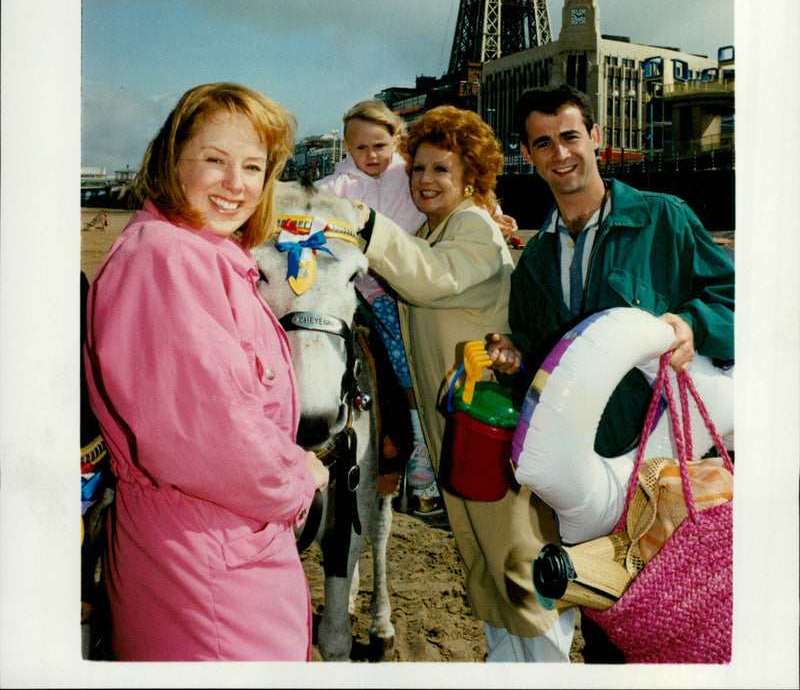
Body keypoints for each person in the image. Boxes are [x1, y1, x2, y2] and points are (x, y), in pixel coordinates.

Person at [487, 83, 735, 661]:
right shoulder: (534, 262)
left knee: (693, 620)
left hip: (673, 476)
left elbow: (736, 301)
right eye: (543, 143)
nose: (560, 154)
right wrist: (514, 356)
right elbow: (540, 374)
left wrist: (691, 323)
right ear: (527, 155)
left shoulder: (663, 219)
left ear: (595, 137)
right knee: (610, 633)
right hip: (593, 487)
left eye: (570, 136)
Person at [83, 83, 329, 661]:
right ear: (173, 160)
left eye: (253, 167)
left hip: (206, 547)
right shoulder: (168, 259)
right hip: (207, 564)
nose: (236, 183)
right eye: (215, 160)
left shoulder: (200, 253)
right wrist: (298, 478)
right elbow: (215, 437)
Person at [351, 106, 575, 663]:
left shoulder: (472, 225)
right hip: (463, 423)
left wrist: (366, 224)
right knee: (484, 553)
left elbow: (430, 280)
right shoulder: (435, 228)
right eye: (418, 168)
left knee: (513, 548)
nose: (425, 180)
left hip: (488, 422)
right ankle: (509, 660)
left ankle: (544, 663)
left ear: (470, 177)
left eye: (441, 169)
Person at [316, 99, 442, 512]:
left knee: (420, 362)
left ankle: (422, 442)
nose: (371, 155)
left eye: (379, 146)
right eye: (360, 148)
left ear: (396, 140)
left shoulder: (411, 175)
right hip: (366, 289)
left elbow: (455, 195)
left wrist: (497, 214)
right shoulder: (336, 187)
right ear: (347, 148)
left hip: (412, 279)